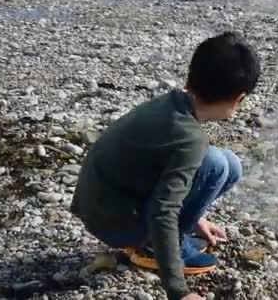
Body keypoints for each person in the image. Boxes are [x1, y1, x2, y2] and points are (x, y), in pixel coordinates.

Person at [70, 32, 261, 300]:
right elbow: (163, 211)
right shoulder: (190, 138)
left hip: (103, 206)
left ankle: (163, 238)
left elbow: (154, 169)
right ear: (240, 97)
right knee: (216, 165)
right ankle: (151, 250)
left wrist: (197, 218)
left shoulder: (171, 105)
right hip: (113, 223)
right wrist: (179, 292)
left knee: (228, 163)